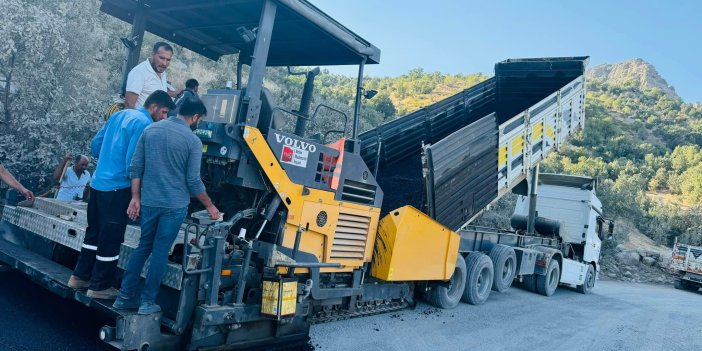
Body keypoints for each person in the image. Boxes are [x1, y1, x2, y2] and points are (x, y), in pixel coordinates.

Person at [113, 97, 220, 314]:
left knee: (143, 247)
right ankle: (146, 303)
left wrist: (136, 197)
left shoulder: (151, 130)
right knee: (160, 251)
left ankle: (123, 297)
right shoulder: (192, 142)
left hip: (150, 201)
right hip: (174, 206)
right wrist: (210, 206)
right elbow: (193, 181)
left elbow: (136, 167)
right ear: (195, 117)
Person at [68, 90, 176, 300]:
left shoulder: (120, 115)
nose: (164, 118)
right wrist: (139, 194)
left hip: (98, 184)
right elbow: (132, 165)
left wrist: (110, 158)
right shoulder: (144, 125)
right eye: (163, 113)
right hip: (118, 189)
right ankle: (100, 286)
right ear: (153, 107)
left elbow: (96, 146)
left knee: (93, 234)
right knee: (111, 237)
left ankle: (79, 277)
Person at [124, 42, 182, 109]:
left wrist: (172, 93)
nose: (164, 63)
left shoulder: (162, 72)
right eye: (161, 58)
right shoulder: (139, 72)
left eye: (168, 60)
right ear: (152, 55)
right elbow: (128, 105)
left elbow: (154, 92)